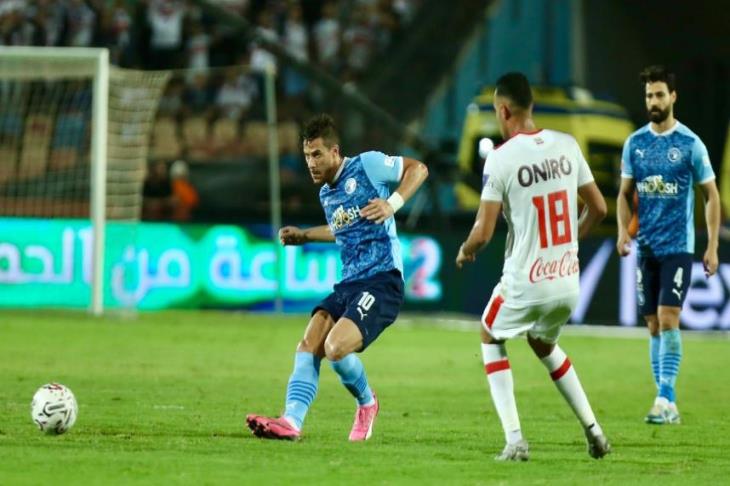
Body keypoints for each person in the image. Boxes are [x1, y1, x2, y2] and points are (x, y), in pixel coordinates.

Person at [455, 72, 610, 461]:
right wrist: (572, 243)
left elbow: (483, 231)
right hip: (566, 280)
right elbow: (601, 208)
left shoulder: (501, 158)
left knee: (490, 334)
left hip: (527, 281)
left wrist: (465, 250)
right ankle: (594, 430)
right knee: (544, 343)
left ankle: (514, 440)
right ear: (532, 107)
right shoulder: (567, 145)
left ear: (503, 110)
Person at [246, 114, 429, 441]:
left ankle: (368, 403)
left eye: (317, 155)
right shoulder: (326, 195)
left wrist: (392, 203)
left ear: (335, 151)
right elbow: (342, 230)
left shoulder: (368, 165)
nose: (311, 163)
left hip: (382, 280)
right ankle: (291, 421)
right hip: (349, 283)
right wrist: (305, 236)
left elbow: (419, 169)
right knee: (310, 341)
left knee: (335, 348)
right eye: (306, 156)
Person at [617, 65, 720, 425]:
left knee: (668, 317)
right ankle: (665, 399)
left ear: (673, 97)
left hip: (678, 245)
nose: (654, 101)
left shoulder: (691, 144)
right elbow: (624, 194)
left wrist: (711, 247)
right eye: (649, 95)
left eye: (660, 94)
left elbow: (711, 194)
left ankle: (665, 397)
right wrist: (621, 231)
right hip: (646, 248)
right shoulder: (635, 144)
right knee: (652, 325)